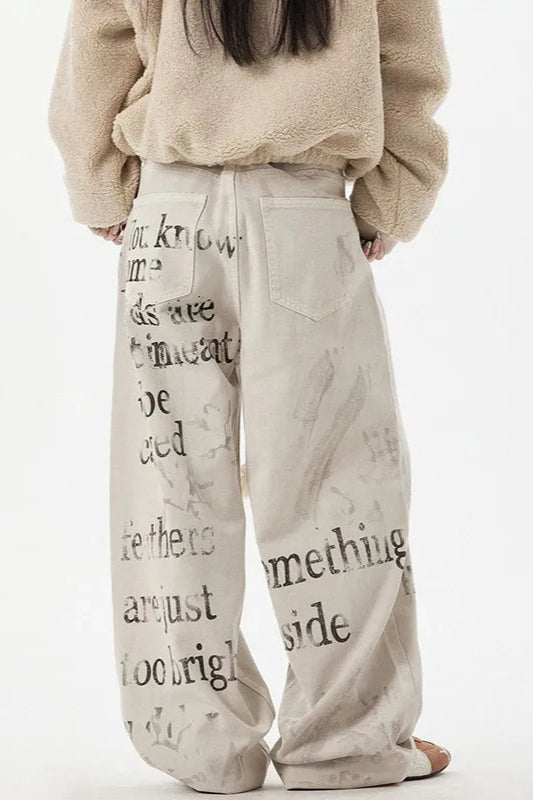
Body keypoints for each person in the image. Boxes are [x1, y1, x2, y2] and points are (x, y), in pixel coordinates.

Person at [49, 0, 452, 792]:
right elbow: (407, 58)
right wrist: (390, 196)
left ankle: (201, 744)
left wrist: (101, 183)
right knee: (335, 487)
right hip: (302, 215)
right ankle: (345, 743)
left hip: (169, 218)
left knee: (169, 492)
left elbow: (99, 37)